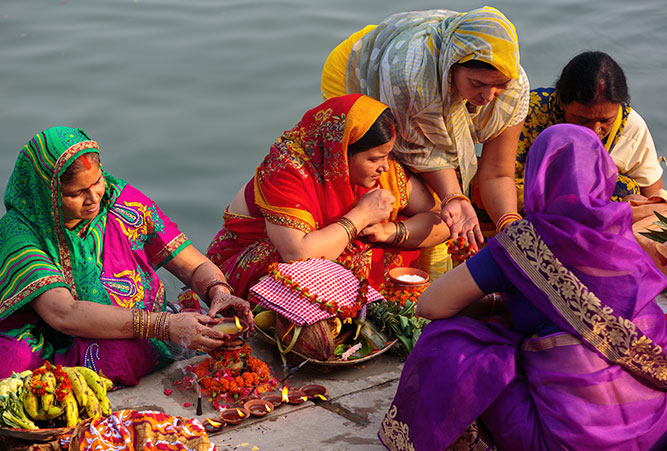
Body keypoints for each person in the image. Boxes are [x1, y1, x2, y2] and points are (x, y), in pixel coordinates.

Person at [378, 124, 667, 450]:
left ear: (536, 177)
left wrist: (495, 306)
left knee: (447, 340)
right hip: (655, 426)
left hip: (563, 443)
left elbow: (430, 305)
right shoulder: (624, 235)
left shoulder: (525, 243)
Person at [0, 127, 254, 386]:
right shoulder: (21, 231)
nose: (93, 198)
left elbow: (192, 265)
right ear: (47, 194)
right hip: (53, 333)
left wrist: (218, 290)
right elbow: (63, 314)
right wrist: (164, 326)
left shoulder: (122, 202)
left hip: (130, 321)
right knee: (11, 365)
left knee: (121, 356)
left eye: (97, 182)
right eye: (76, 194)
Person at [321, 7, 530, 248]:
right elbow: (421, 153)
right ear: (451, 67)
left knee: (446, 207)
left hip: (417, 82)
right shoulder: (410, 76)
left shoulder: (514, 88)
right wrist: (454, 196)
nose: (488, 96)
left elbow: (497, 172)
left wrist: (510, 225)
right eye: (477, 84)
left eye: (499, 85)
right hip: (360, 72)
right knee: (387, 176)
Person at [206, 94, 449, 300]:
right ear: (339, 153)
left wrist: (393, 231)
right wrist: (361, 216)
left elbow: (439, 218)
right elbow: (297, 254)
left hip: (323, 252)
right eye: (374, 159)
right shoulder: (287, 170)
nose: (384, 167)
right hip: (242, 267)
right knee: (313, 260)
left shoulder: (381, 172)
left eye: (386, 156)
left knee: (388, 239)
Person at [515, 51, 664, 209]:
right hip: (530, 216)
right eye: (583, 120)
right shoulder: (526, 115)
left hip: (601, 224)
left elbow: (654, 201)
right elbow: (497, 177)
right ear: (561, 102)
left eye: (606, 121)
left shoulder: (631, 128)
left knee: (630, 193)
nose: (594, 130)